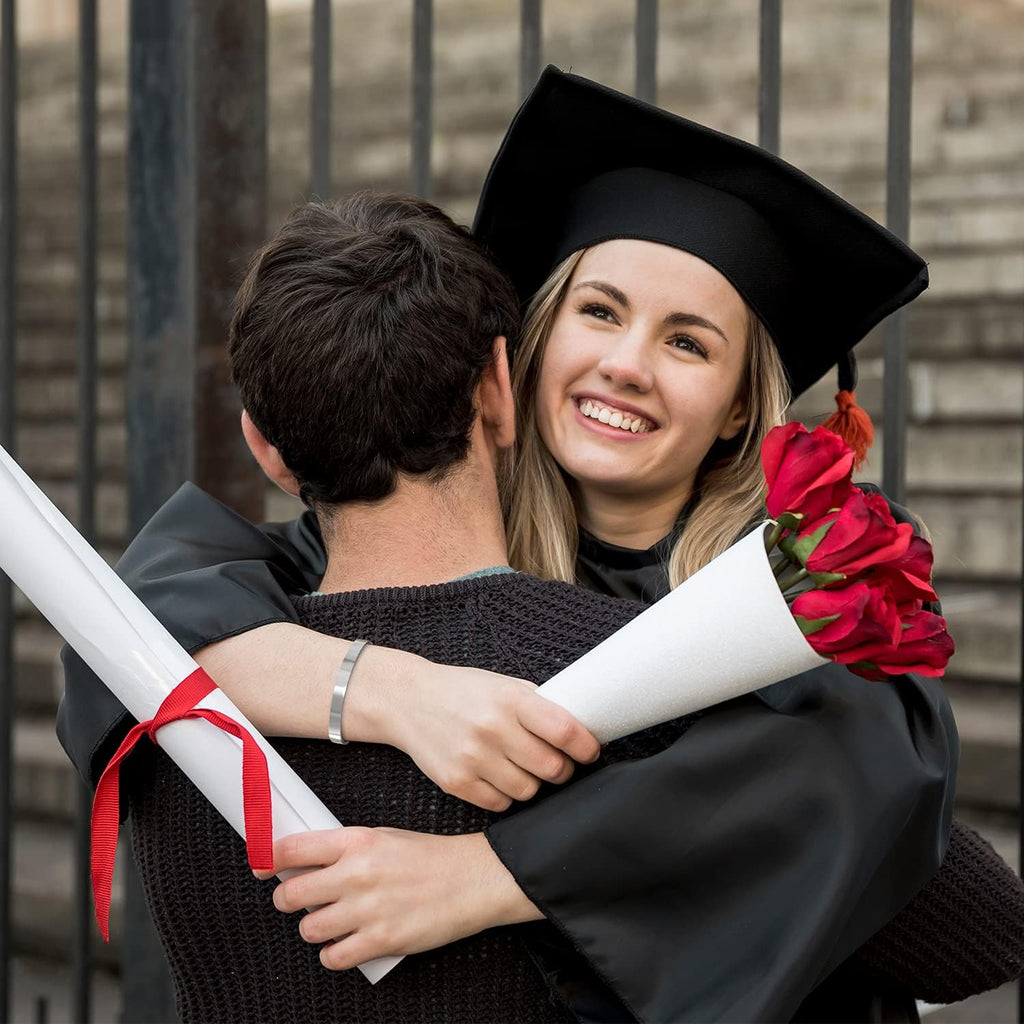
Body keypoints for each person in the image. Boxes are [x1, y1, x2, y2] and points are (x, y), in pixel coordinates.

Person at [58, 69, 1016, 1017]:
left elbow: (876, 788)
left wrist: (489, 876)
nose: (626, 365)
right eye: (599, 311)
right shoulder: (370, 561)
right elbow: (133, 626)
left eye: (689, 343)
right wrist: (395, 691)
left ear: (737, 411)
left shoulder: (795, 593)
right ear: (523, 354)